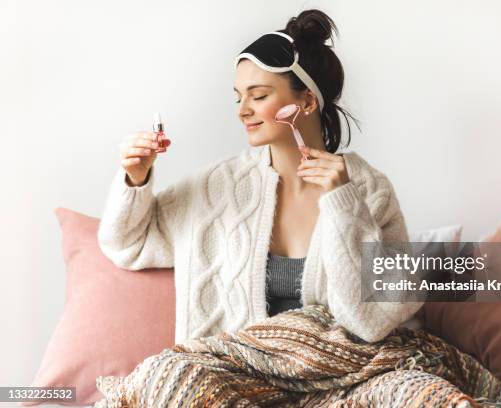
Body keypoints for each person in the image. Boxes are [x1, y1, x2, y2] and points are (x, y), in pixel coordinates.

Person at [97, 9, 423, 346]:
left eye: (259, 95)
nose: (242, 110)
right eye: (239, 96)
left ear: (307, 100)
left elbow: (369, 322)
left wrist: (344, 205)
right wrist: (135, 180)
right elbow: (126, 245)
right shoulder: (217, 185)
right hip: (239, 370)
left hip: (341, 369)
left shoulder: (370, 190)